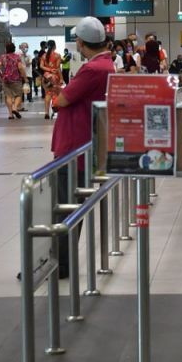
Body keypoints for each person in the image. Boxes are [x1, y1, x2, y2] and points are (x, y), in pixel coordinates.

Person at [51, 17, 115, 277]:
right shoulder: (107, 65)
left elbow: (63, 100)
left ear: (80, 41)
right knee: (70, 206)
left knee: (65, 207)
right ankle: (60, 261)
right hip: (86, 144)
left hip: (75, 148)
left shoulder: (92, 69)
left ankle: (60, 265)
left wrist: (58, 94)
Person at [0, 42, 25, 120]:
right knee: (18, 95)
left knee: (8, 96)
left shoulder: (3, 57)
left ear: (6, 49)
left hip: (6, 79)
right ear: (14, 49)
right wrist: (25, 77)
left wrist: (1, 75)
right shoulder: (17, 57)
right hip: (16, 79)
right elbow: (20, 68)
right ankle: (15, 108)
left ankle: (10, 114)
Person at [40, 40, 63, 119]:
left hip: (46, 77)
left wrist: (48, 70)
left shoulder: (44, 55)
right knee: (55, 93)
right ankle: (54, 107)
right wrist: (61, 78)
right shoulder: (57, 55)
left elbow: (41, 66)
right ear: (54, 46)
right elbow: (57, 68)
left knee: (48, 94)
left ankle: (46, 113)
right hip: (54, 77)